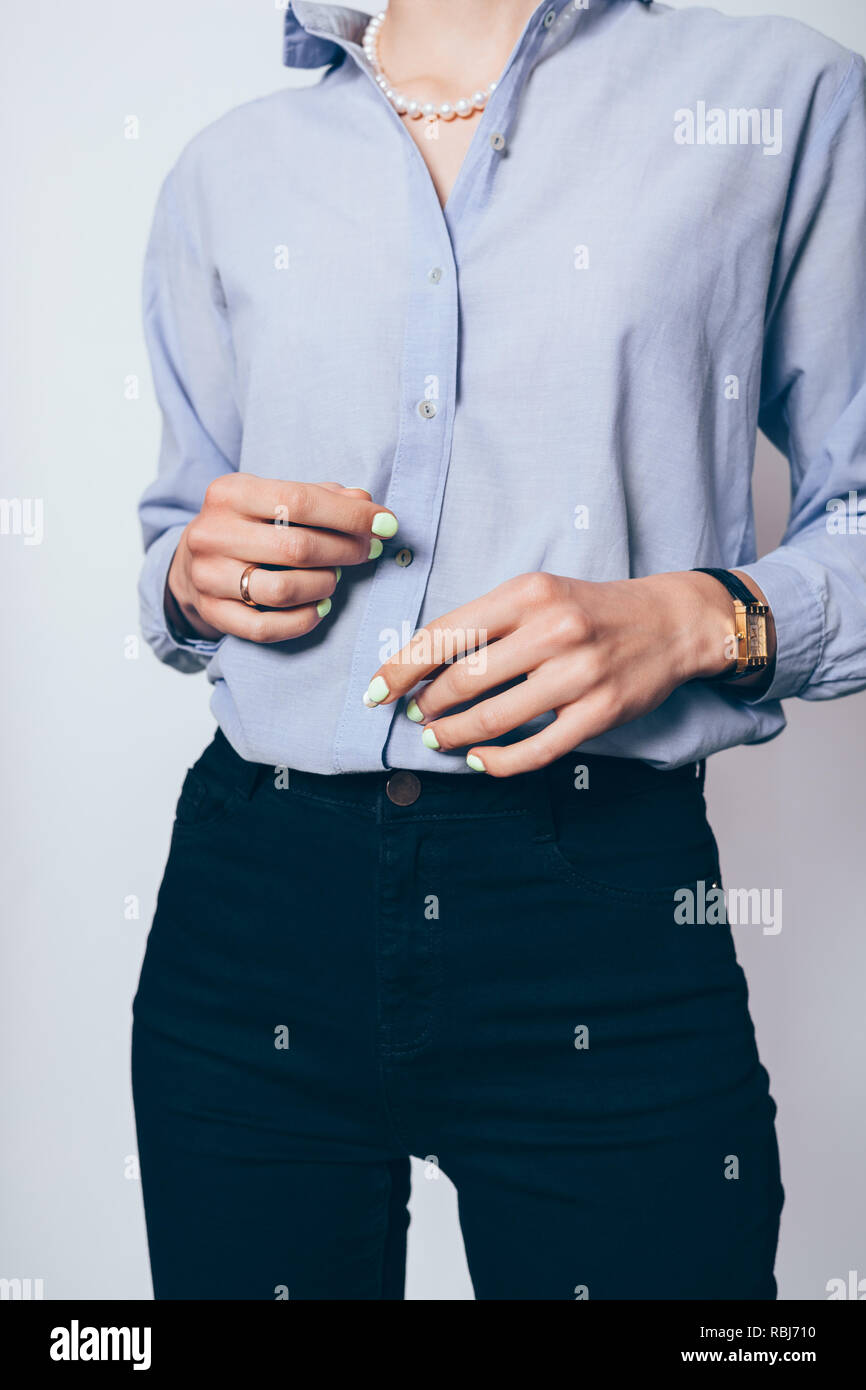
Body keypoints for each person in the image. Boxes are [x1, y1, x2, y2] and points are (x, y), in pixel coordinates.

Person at [131, 0, 866, 1299]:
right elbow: (178, 541)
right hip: (251, 913)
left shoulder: (781, 103)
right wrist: (189, 578)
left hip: (604, 903)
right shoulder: (225, 170)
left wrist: (701, 612)